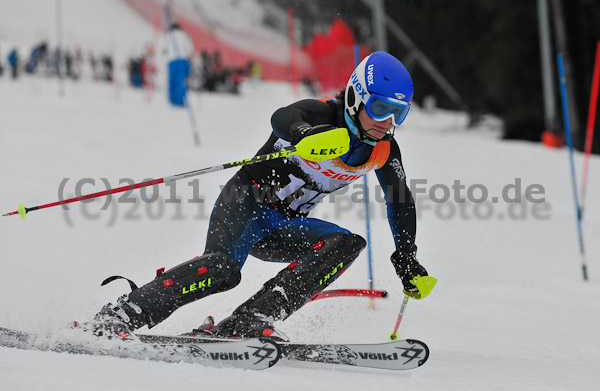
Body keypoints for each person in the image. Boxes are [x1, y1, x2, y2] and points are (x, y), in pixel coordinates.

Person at [89, 51, 431, 340]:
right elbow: (282, 118)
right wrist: (304, 135)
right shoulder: (321, 114)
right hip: (246, 202)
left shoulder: (384, 150)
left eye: (398, 113)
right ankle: (124, 313)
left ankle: (250, 321)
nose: (387, 122)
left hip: (284, 227)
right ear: (356, 98)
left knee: (347, 243)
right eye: (381, 108)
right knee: (223, 269)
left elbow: (399, 200)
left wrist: (406, 254)